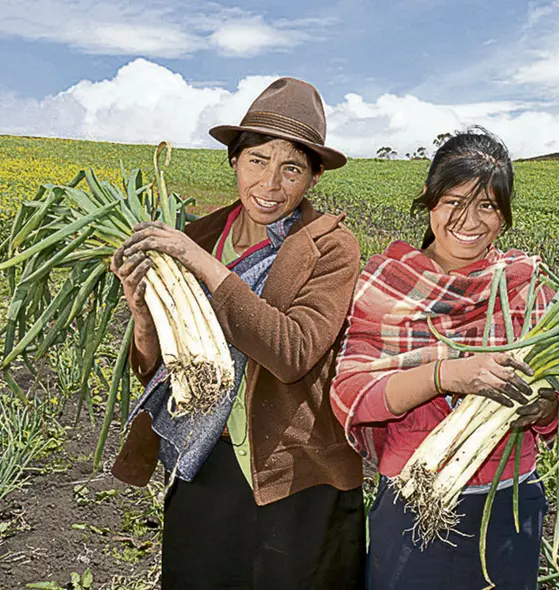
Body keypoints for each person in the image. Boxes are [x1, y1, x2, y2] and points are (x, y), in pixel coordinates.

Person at [109, 77, 366, 589]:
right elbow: (157, 368)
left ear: (314, 177)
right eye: (257, 161)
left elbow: (293, 352)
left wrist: (202, 265)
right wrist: (142, 314)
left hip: (296, 471)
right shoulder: (200, 234)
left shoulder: (332, 248)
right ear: (234, 161)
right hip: (206, 456)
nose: (271, 184)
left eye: (291, 167)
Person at [331, 128, 559, 589]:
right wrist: (446, 375)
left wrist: (545, 407)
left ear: (505, 216)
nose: (469, 220)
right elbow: (352, 393)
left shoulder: (527, 286)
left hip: (510, 502)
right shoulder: (386, 284)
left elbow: (557, 399)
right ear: (429, 200)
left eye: (487, 206)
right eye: (454, 201)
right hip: (414, 500)